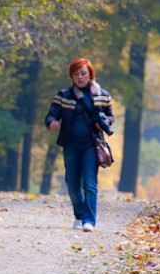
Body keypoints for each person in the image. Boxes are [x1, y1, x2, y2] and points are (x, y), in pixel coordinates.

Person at [44, 58, 114, 232]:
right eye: (76, 74)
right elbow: (51, 114)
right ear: (72, 76)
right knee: (72, 183)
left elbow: (111, 117)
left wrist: (105, 122)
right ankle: (79, 214)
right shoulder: (63, 95)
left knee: (90, 183)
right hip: (71, 145)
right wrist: (52, 122)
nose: (80, 77)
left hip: (92, 144)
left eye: (83, 73)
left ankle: (89, 220)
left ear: (90, 74)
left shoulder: (102, 95)